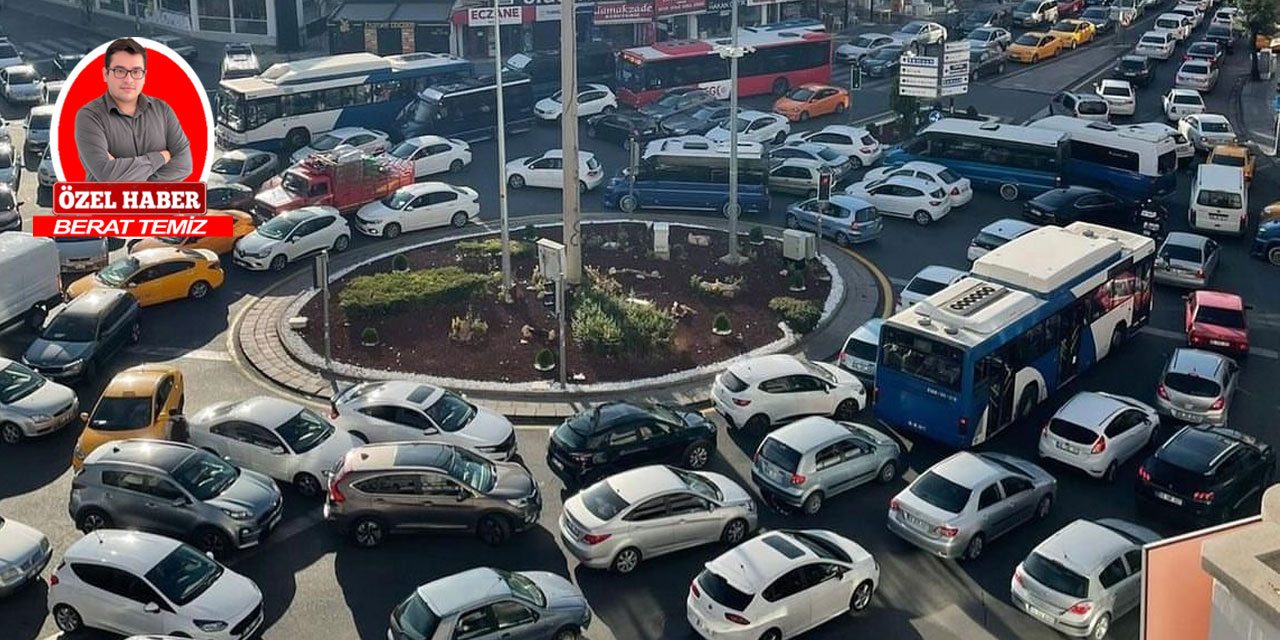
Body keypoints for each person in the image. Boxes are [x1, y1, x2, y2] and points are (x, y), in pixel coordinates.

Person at [74, 37, 192, 182]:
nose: (128, 79)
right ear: (106, 74)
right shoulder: (89, 116)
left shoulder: (162, 109)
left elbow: (185, 164)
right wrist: (161, 157)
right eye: (120, 71)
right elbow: (107, 175)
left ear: (144, 76)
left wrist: (126, 177)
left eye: (136, 72)